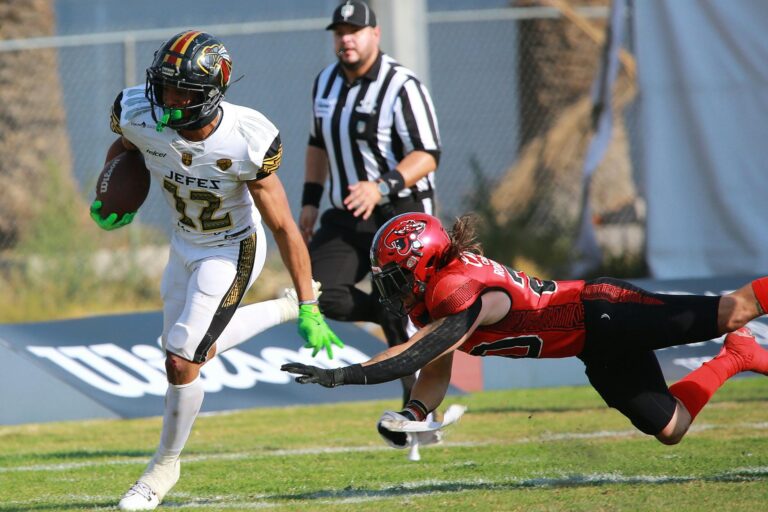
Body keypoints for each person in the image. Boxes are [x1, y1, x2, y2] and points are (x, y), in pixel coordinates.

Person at [90, 30, 341, 511]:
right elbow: (124, 150)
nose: (168, 99)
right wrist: (107, 195)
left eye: (181, 91)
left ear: (209, 95)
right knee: (179, 359)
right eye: (164, 86)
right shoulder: (139, 111)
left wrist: (309, 300)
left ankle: (163, 467)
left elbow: (285, 226)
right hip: (183, 244)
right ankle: (279, 310)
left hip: (232, 250)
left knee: (184, 356)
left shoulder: (246, 140)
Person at [283, 212, 768, 450]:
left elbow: (412, 355)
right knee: (671, 428)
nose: (390, 288)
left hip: (603, 311)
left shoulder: (456, 288)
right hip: (593, 348)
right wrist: (410, 414)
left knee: (734, 310)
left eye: (394, 276)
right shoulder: (434, 299)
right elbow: (434, 371)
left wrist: (342, 376)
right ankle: (737, 357)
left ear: (423, 265)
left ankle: (738, 338)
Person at [300, 0, 441, 415]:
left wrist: (380, 187)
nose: (346, 39)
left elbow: (428, 153)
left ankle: (416, 409)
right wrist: (309, 202)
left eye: (355, 31)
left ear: (375, 34)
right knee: (314, 293)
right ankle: (383, 311)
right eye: (340, 32)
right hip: (347, 213)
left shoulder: (402, 84)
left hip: (401, 213)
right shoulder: (324, 82)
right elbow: (316, 144)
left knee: (406, 313)